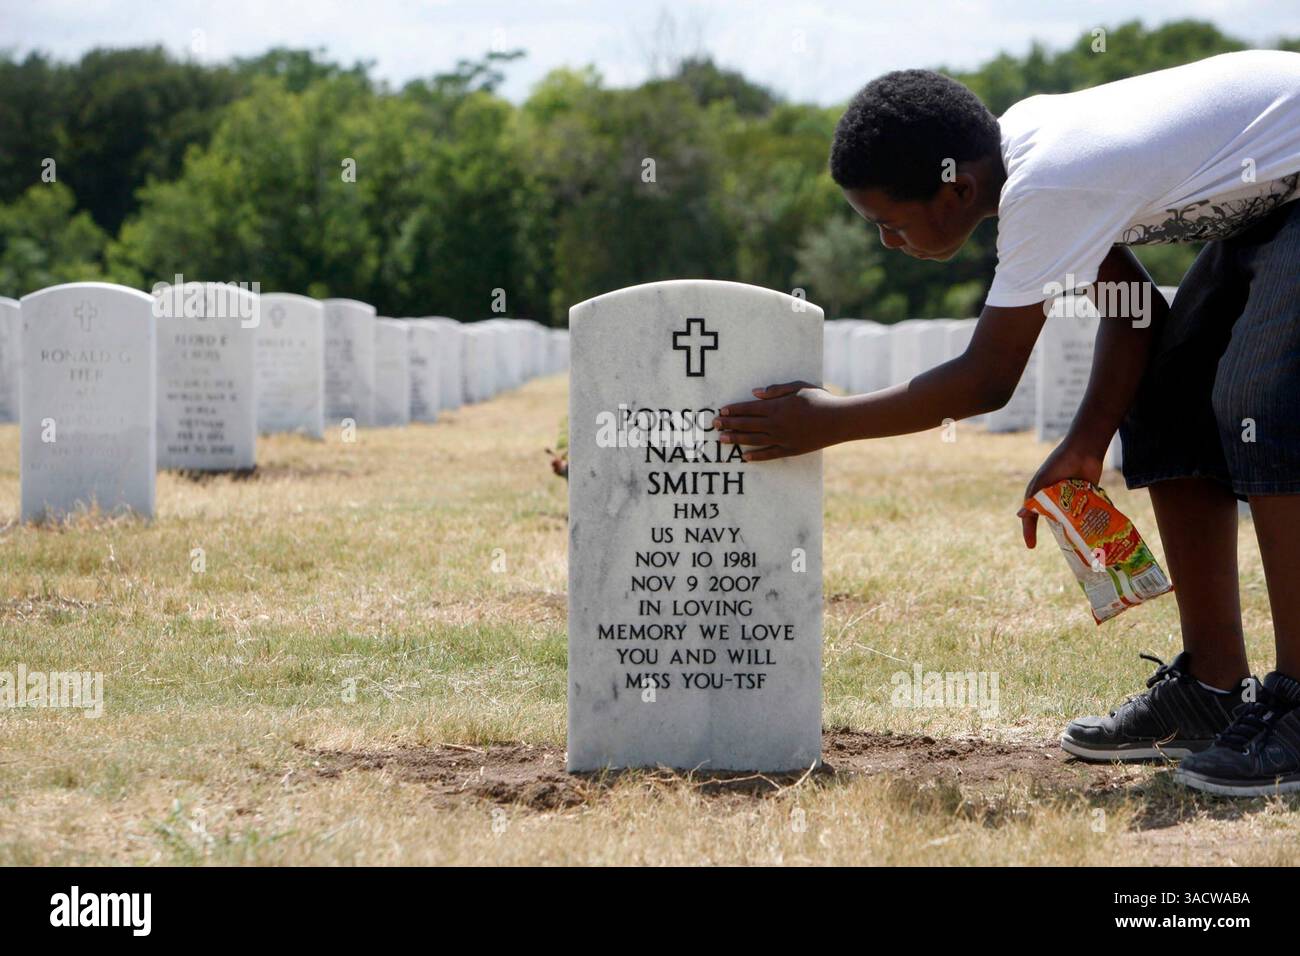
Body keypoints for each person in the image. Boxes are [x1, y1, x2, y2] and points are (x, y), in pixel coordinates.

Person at [711, 51, 1300, 795]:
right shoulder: (1030, 159)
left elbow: (987, 378)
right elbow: (1135, 313)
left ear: (955, 189)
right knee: (1171, 387)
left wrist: (825, 420)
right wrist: (1085, 444)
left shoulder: (1045, 181)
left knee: (1261, 399)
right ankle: (1213, 689)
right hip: (1274, 200)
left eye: (889, 223)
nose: (888, 242)